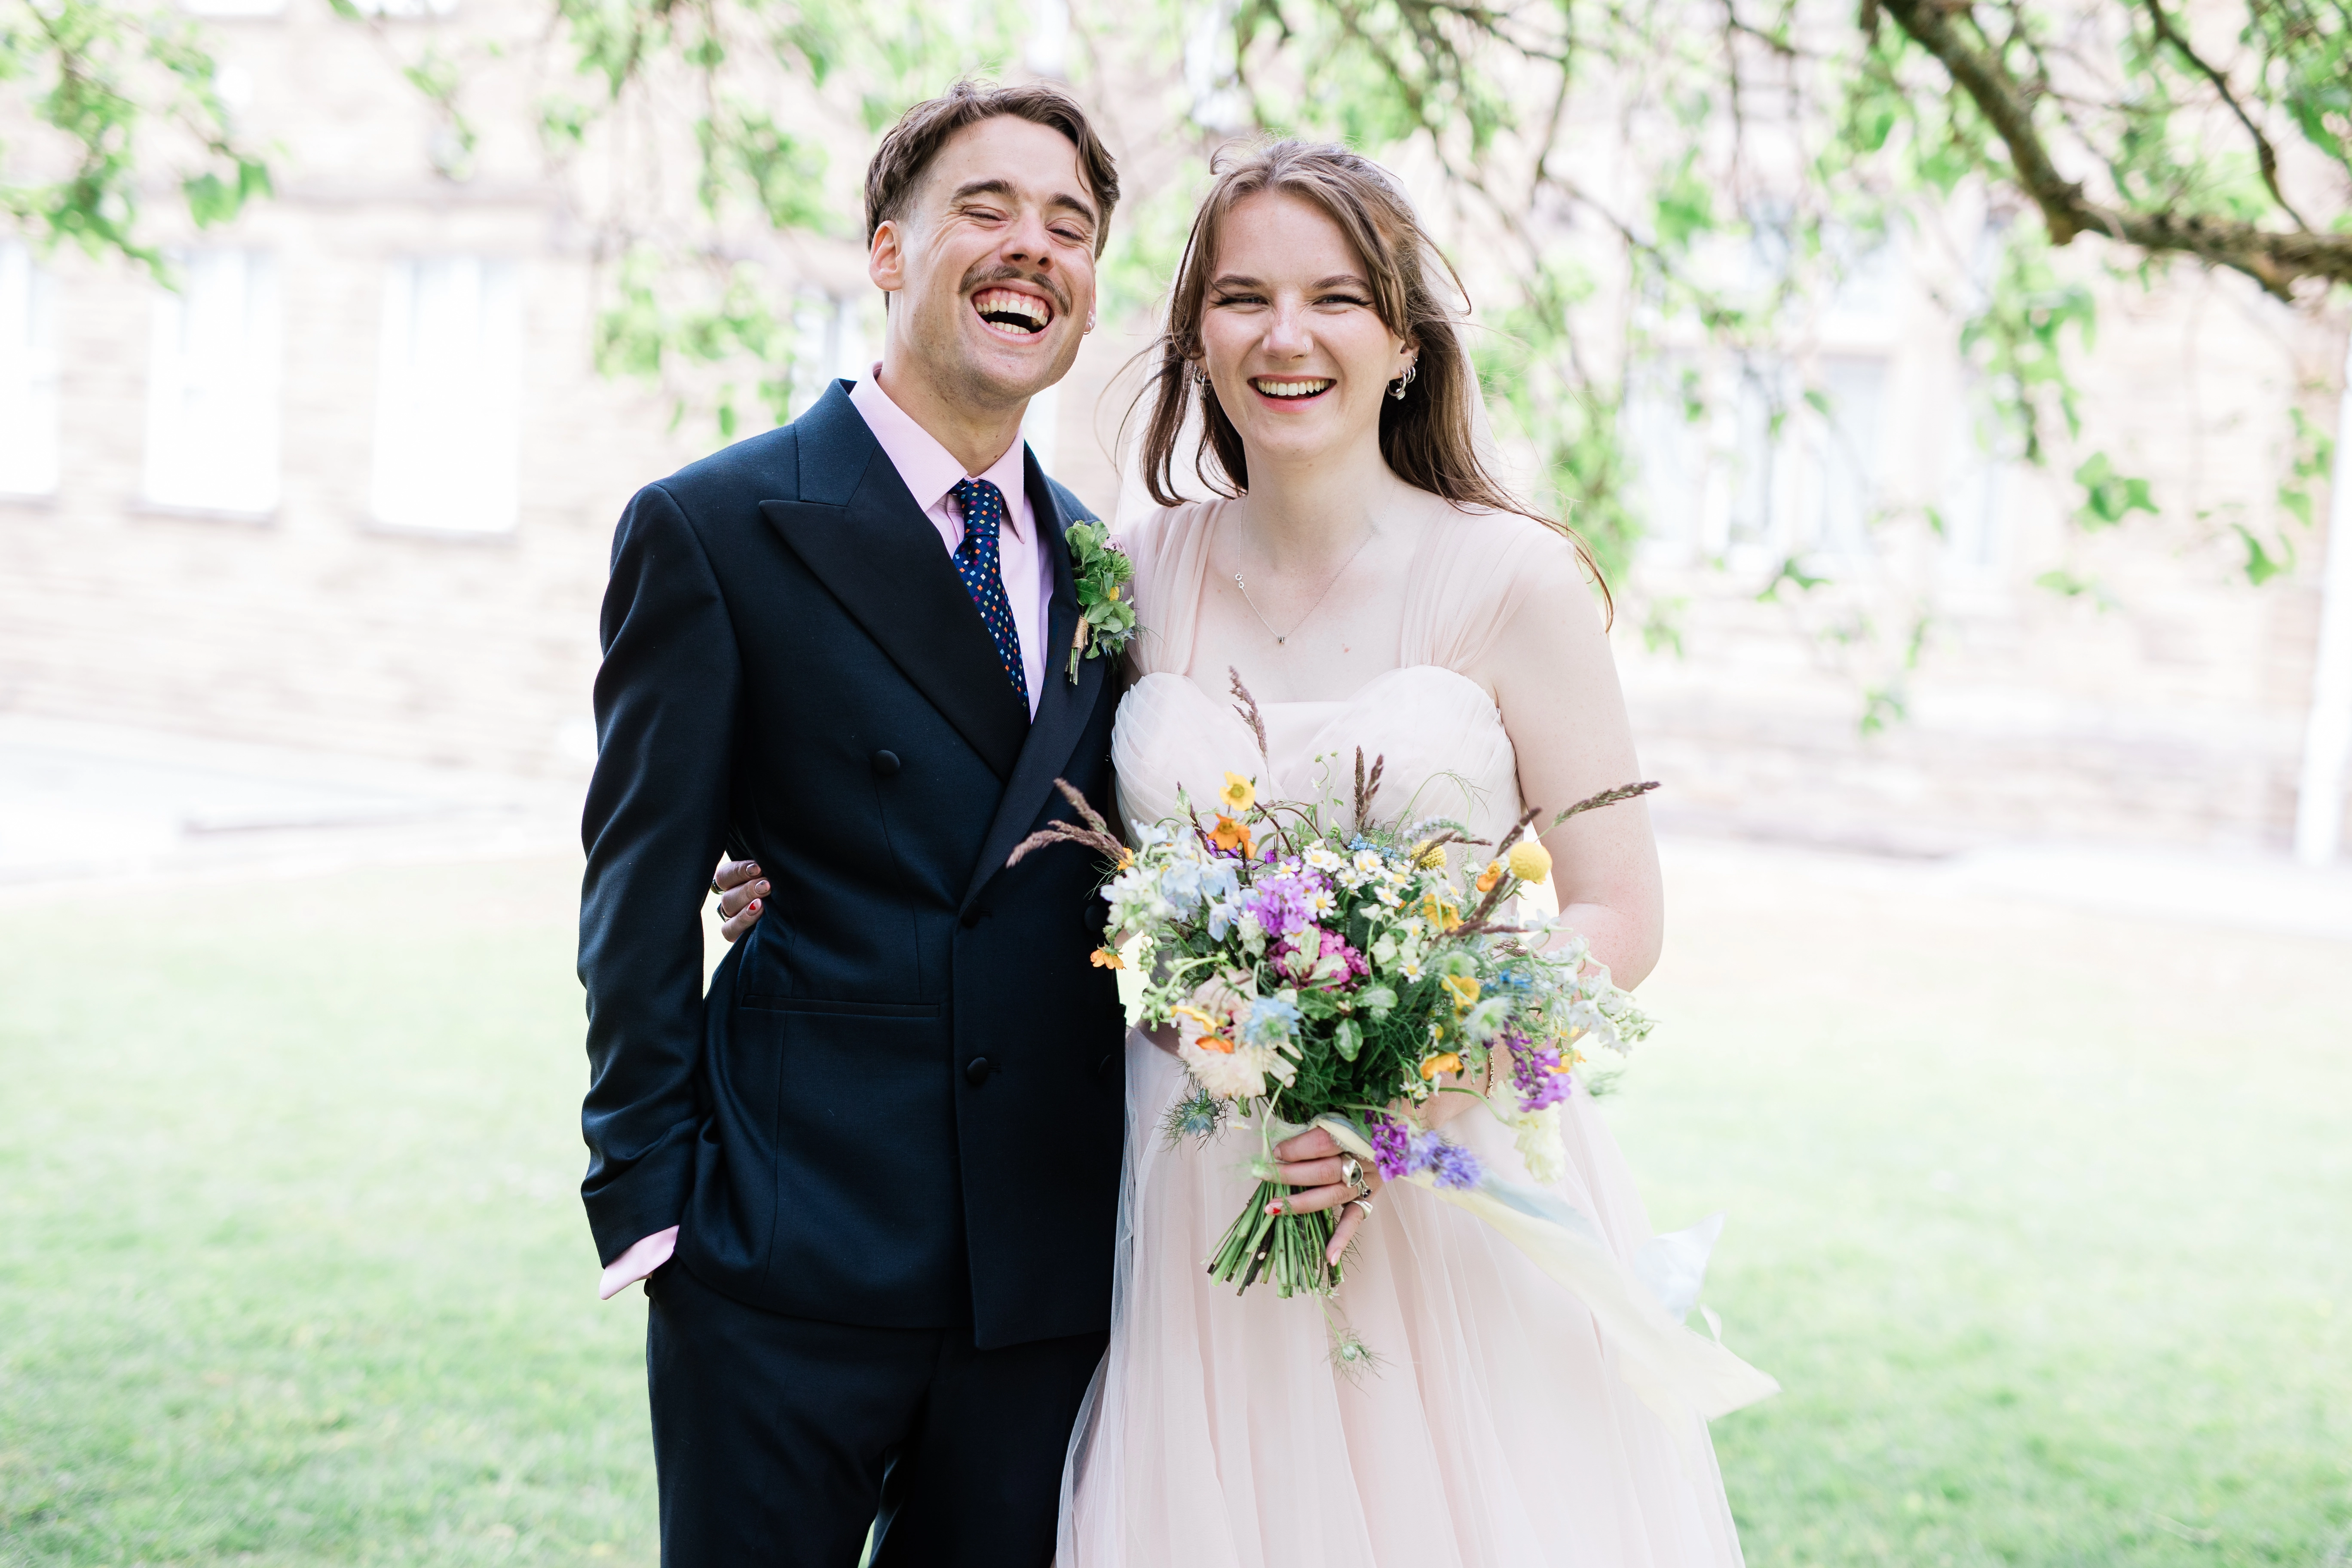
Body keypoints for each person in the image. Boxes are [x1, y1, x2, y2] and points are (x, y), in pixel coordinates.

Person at [716, 139, 1761, 1563]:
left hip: (1441, 1187)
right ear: (1196, 337)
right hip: (1193, 1188)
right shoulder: (1128, 571)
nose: (1286, 337)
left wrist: (1407, 1091)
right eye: (1243, 298)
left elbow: (1619, 911)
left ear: (1406, 341)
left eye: (1336, 299)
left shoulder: (1514, 579)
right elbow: (1008, 807)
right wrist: (817, 870)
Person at [576, 81, 1130, 1566]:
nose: (1031, 248)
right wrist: (650, 1206)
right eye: (985, 210)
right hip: (785, 1250)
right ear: (889, 250)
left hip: (1036, 1274)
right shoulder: (714, 525)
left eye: (1070, 226)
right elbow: (636, 890)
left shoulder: (1102, 562)